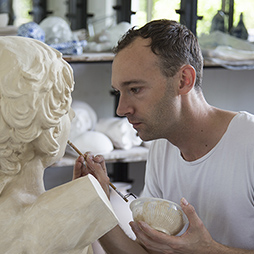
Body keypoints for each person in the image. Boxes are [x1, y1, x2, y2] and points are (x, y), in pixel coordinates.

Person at [75, 19, 254, 253]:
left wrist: (208, 250)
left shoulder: (249, 143)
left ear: (183, 81)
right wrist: (97, 203)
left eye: (135, 89)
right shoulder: (162, 147)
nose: (121, 109)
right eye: (119, 92)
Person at [0, 36, 118, 254]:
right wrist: (85, 201)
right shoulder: (57, 219)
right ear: (50, 129)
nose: (71, 115)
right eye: (66, 106)